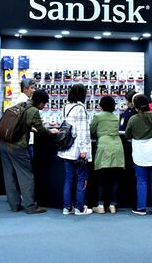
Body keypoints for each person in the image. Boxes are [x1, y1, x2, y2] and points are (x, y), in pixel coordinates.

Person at [0, 89, 57, 214]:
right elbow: (41, 129)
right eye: (44, 104)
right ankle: (30, 206)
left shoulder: (22, 105)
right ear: (40, 103)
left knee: (9, 175)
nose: (44, 106)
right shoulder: (33, 111)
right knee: (26, 175)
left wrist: (31, 129)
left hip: (4, 143)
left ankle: (14, 205)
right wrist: (50, 131)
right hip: (17, 146)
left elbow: (20, 124)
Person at [58, 84, 93, 216]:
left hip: (66, 149)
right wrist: (84, 150)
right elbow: (83, 131)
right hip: (78, 150)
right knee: (82, 178)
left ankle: (67, 207)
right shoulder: (80, 109)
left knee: (68, 179)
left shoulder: (65, 107)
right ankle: (80, 207)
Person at [90, 95, 124, 214]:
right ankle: (112, 205)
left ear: (101, 105)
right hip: (117, 146)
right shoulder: (116, 117)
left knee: (102, 178)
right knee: (114, 178)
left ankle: (100, 205)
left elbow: (91, 130)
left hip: (104, 145)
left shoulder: (98, 116)